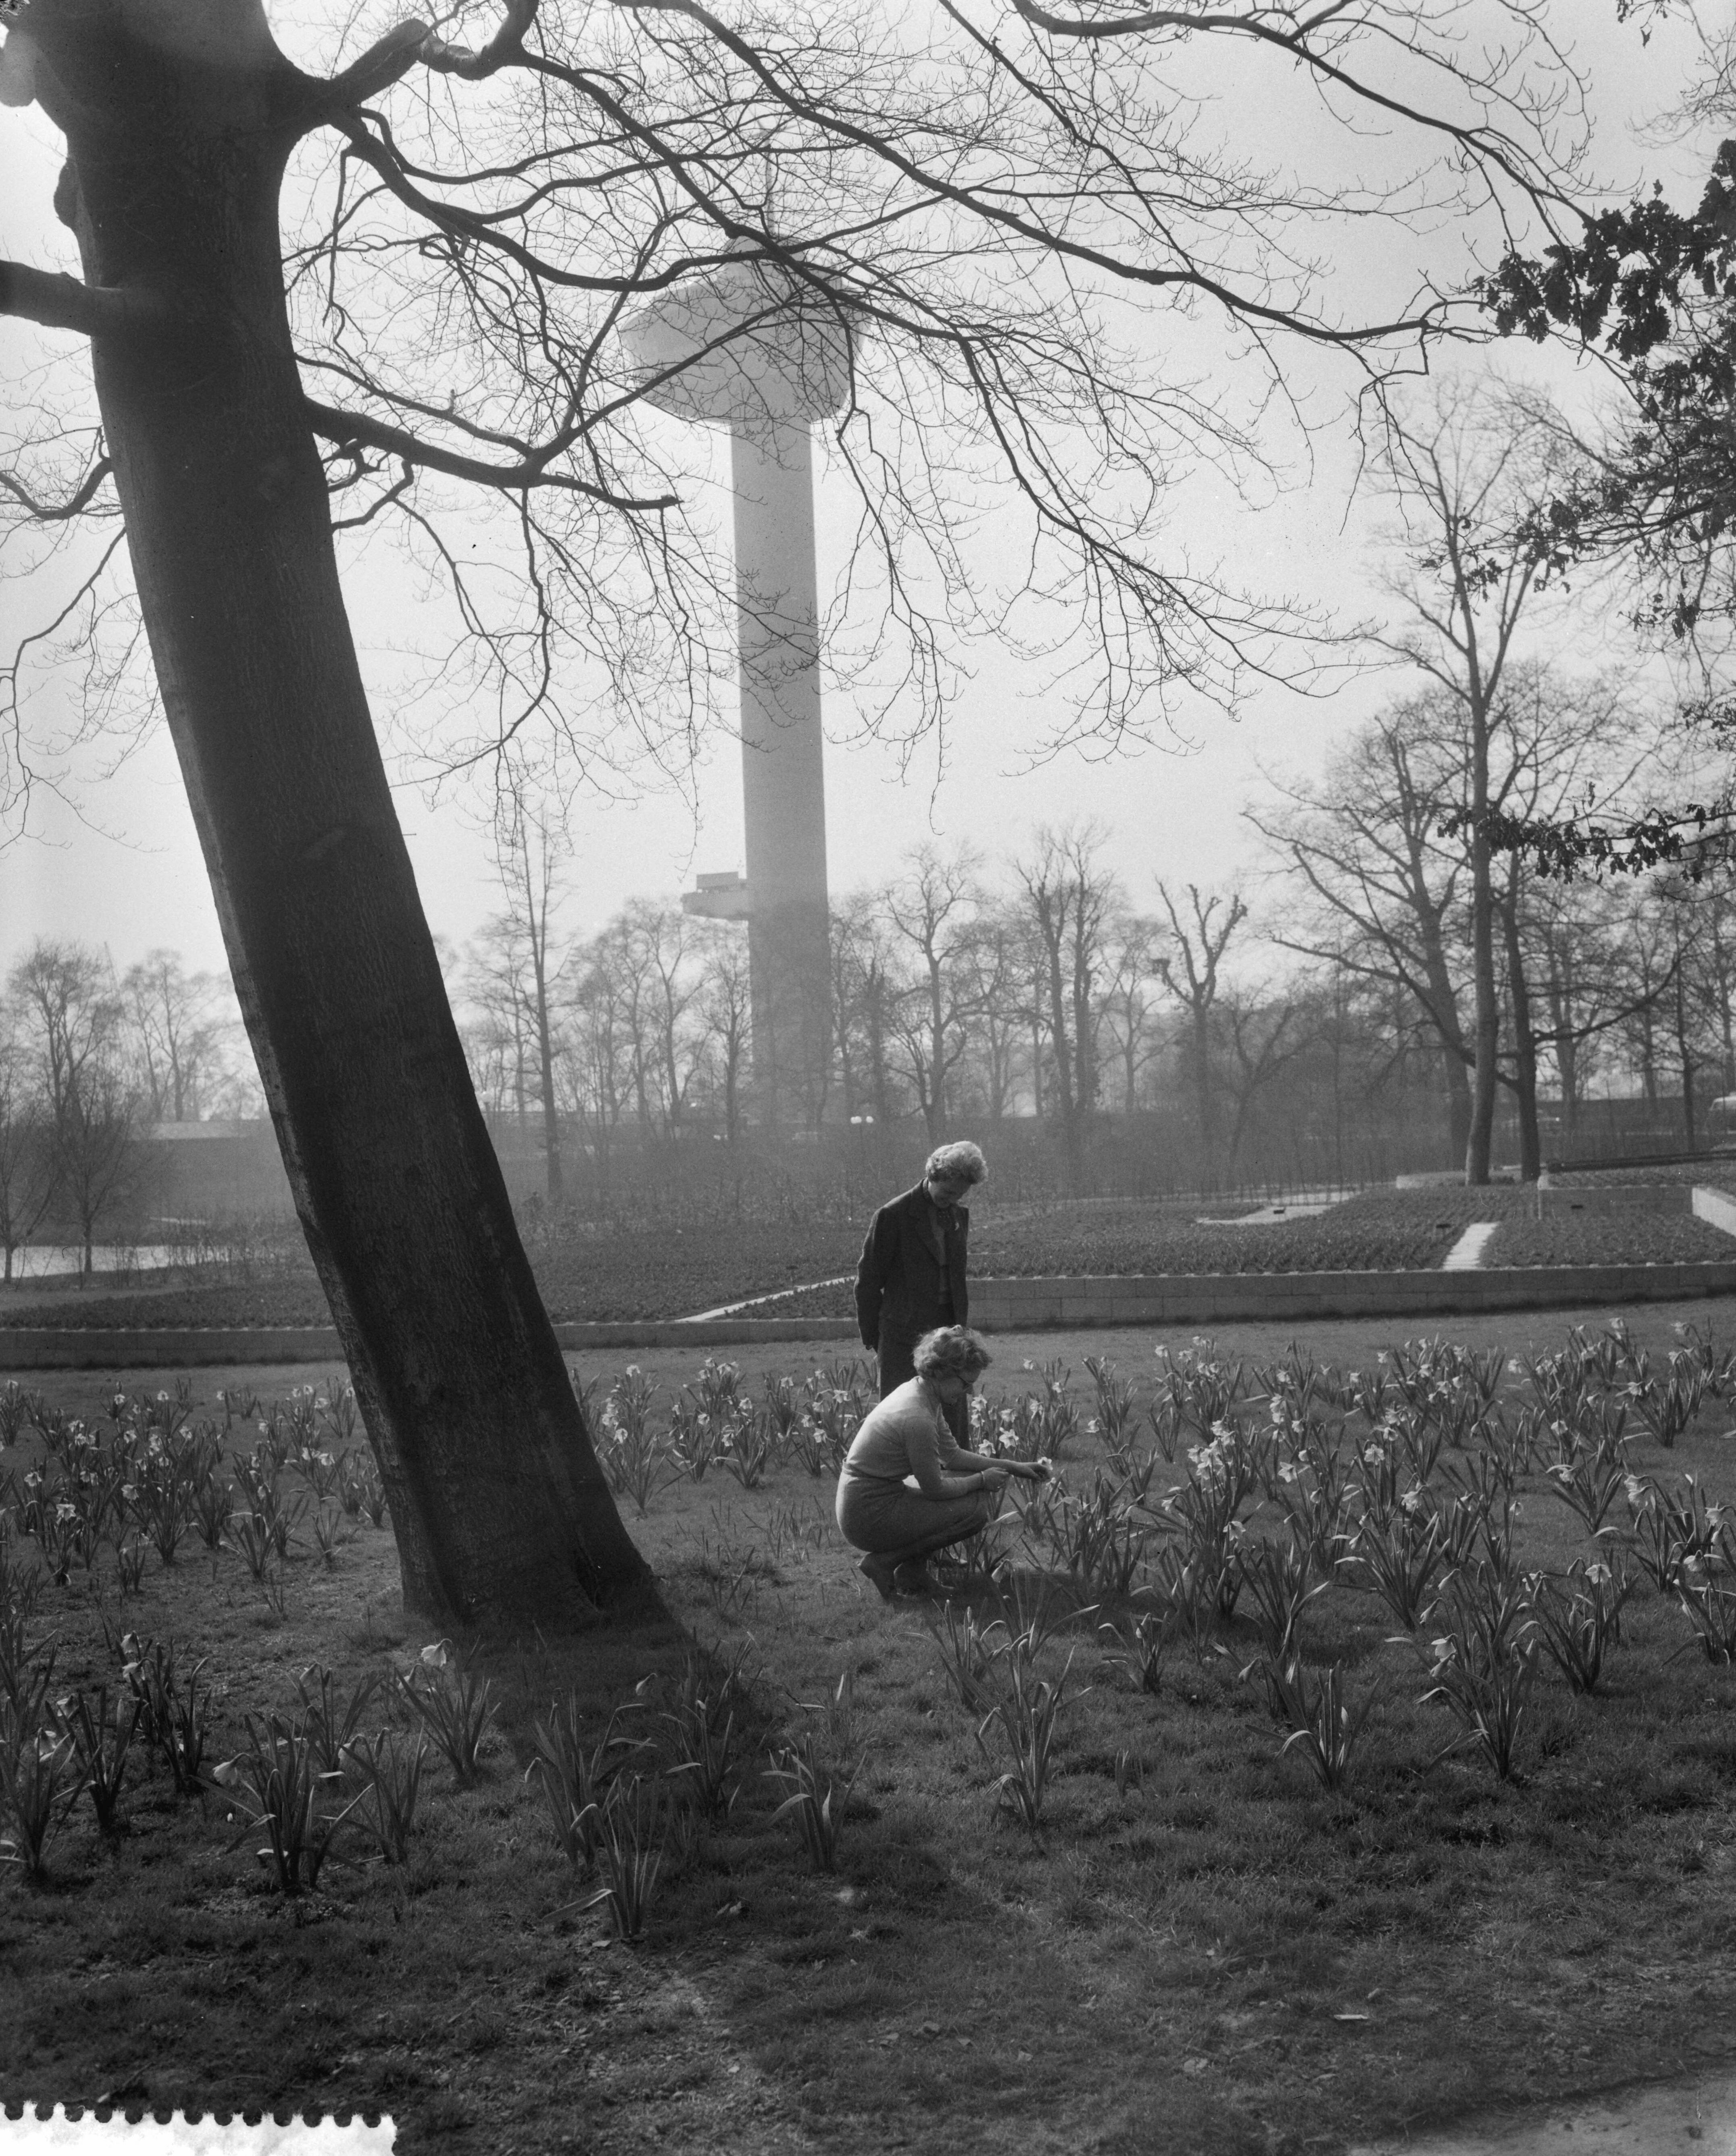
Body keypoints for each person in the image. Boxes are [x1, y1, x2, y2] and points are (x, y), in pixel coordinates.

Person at [835, 1325, 1048, 1600]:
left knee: (967, 1489)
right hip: (866, 1515)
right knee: (974, 1512)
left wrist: (1012, 1466)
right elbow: (934, 1489)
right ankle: (884, 1563)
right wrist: (982, 1480)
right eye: (965, 1383)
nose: (969, 1391)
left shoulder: (921, 1394)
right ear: (942, 1371)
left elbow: (952, 1456)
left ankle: (913, 1574)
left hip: (870, 1501)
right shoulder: (917, 1418)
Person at [855, 1140, 986, 1440]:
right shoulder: (893, 1215)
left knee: (951, 1409)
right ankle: (903, 1482)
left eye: (961, 1194)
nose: (953, 1200)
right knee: (902, 1413)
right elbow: (868, 1280)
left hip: (948, 1331)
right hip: (903, 1332)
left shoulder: (957, 1216)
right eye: (949, 1192)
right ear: (933, 1175)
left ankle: (954, 1478)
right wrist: (875, 1337)